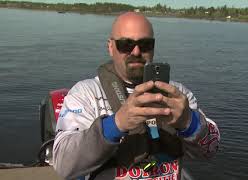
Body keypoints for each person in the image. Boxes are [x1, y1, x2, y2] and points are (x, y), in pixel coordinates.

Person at [53, 12, 220, 180]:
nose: (136, 51)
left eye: (145, 44)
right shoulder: (86, 94)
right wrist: (117, 123)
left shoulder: (178, 95)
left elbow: (209, 150)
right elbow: (63, 164)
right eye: (126, 44)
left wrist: (188, 122)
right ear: (111, 47)